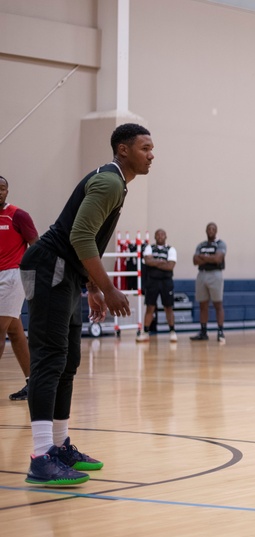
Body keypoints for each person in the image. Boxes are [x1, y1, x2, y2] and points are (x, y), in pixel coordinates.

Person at [20, 122, 152, 486]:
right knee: (49, 357)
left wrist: (92, 285)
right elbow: (79, 235)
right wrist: (109, 288)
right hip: (48, 266)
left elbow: (87, 238)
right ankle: (41, 455)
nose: (151, 154)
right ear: (122, 150)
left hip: (67, 272)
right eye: (144, 148)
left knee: (68, 360)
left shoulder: (115, 184)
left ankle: (60, 445)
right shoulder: (110, 181)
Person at [0, 175, 38, 400]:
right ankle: (33, 383)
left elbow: (36, 246)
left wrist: (33, 278)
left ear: (7, 191)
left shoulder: (18, 215)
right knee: (15, 331)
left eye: (3, 188)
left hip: (13, 276)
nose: (0, 192)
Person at [136, 228, 177, 342]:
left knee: (168, 307)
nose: (160, 236)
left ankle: (172, 331)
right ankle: (145, 332)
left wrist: (155, 262)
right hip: (152, 281)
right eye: (157, 235)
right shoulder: (149, 248)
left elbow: (170, 266)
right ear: (154, 237)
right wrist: (163, 262)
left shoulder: (171, 249)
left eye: (162, 234)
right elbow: (148, 262)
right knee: (150, 307)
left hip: (166, 281)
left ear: (166, 236)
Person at [191, 222, 226, 343]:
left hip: (215, 274)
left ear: (216, 231)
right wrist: (209, 258)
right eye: (208, 229)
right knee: (203, 305)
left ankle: (220, 331)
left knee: (218, 304)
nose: (210, 231)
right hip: (202, 274)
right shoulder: (201, 245)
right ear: (206, 231)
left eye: (213, 229)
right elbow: (195, 261)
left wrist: (203, 257)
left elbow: (218, 259)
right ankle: (203, 331)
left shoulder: (220, 244)